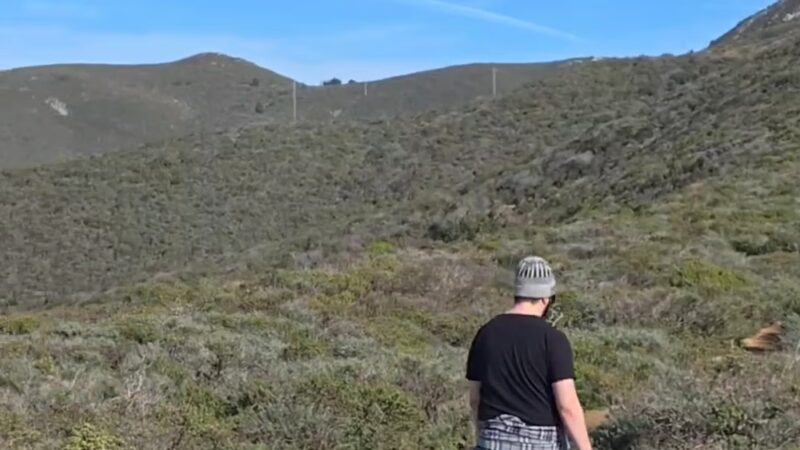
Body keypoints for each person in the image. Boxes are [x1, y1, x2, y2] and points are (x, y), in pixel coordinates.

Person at [465, 256, 593, 450]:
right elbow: (567, 407)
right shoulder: (552, 339)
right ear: (545, 298)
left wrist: (483, 437)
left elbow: (475, 399)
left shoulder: (486, 333)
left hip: (491, 440)